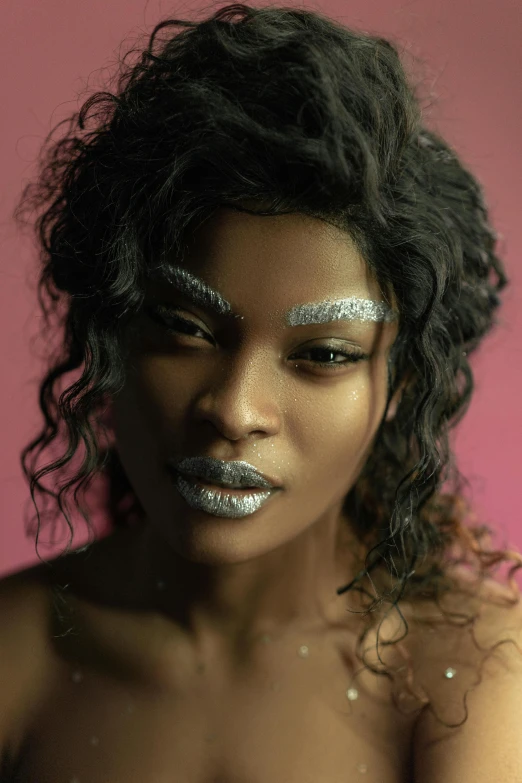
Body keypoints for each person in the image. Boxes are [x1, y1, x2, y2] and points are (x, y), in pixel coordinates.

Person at [1, 2, 522, 780]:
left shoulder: (472, 679)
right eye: (184, 327)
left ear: (398, 385)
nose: (233, 408)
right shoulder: (18, 654)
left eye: (322, 354)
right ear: (112, 329)